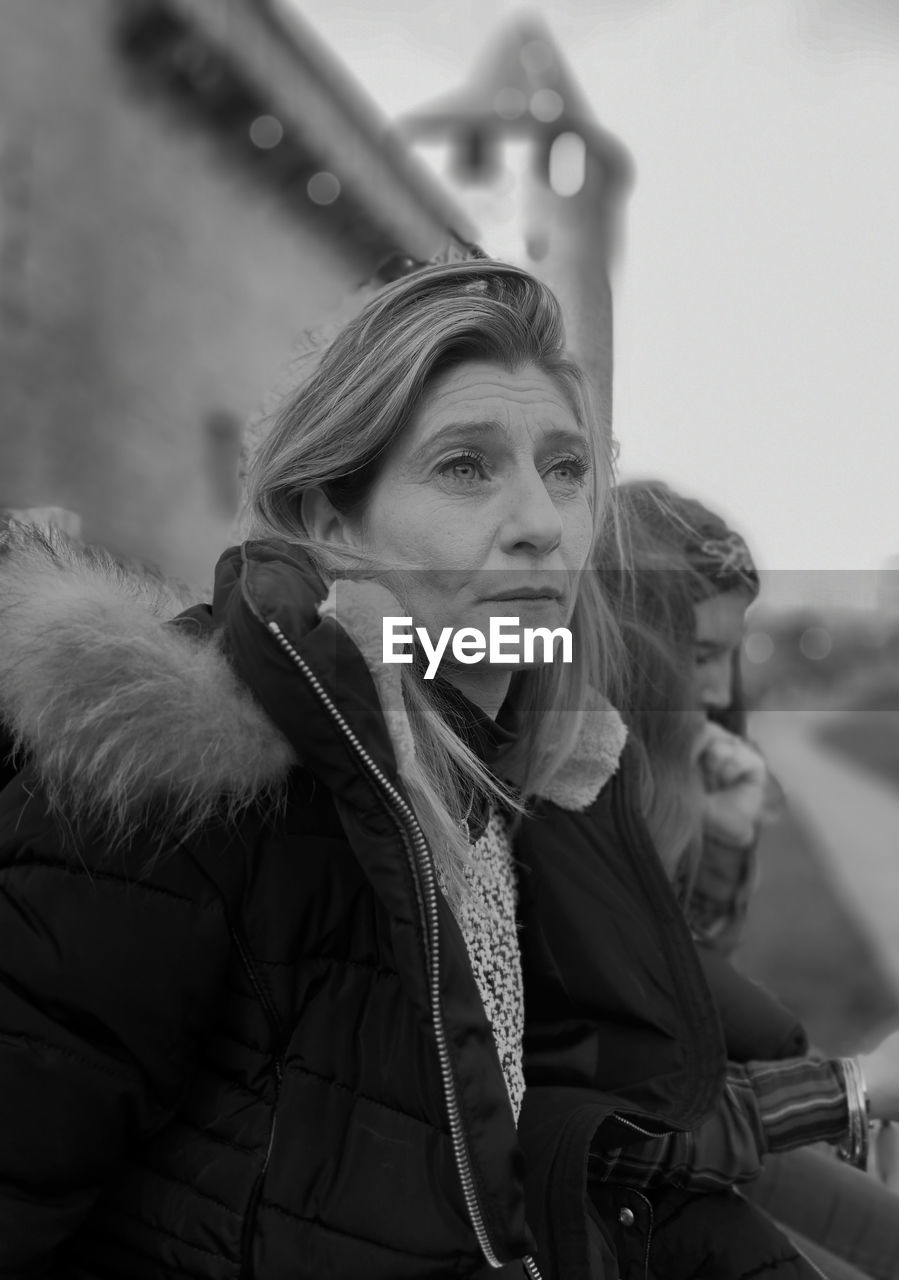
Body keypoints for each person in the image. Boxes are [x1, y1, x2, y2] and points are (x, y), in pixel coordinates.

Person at [0, 259, 645, 1279]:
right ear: (334, 520)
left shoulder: (500, 779)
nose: (542, 521)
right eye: (466, 465)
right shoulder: (185, 787)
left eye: (566, 468)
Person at [600, 478, 899, 1280]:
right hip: (642, 1176)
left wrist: (724, 839)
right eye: (701, 655)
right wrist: (858, 1091)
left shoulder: (661, 770)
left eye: (735, 650)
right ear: (629, 643)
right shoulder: (563, 798)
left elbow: (686, 973)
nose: (724, 689)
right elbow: (623, 1102)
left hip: (718, 1127)